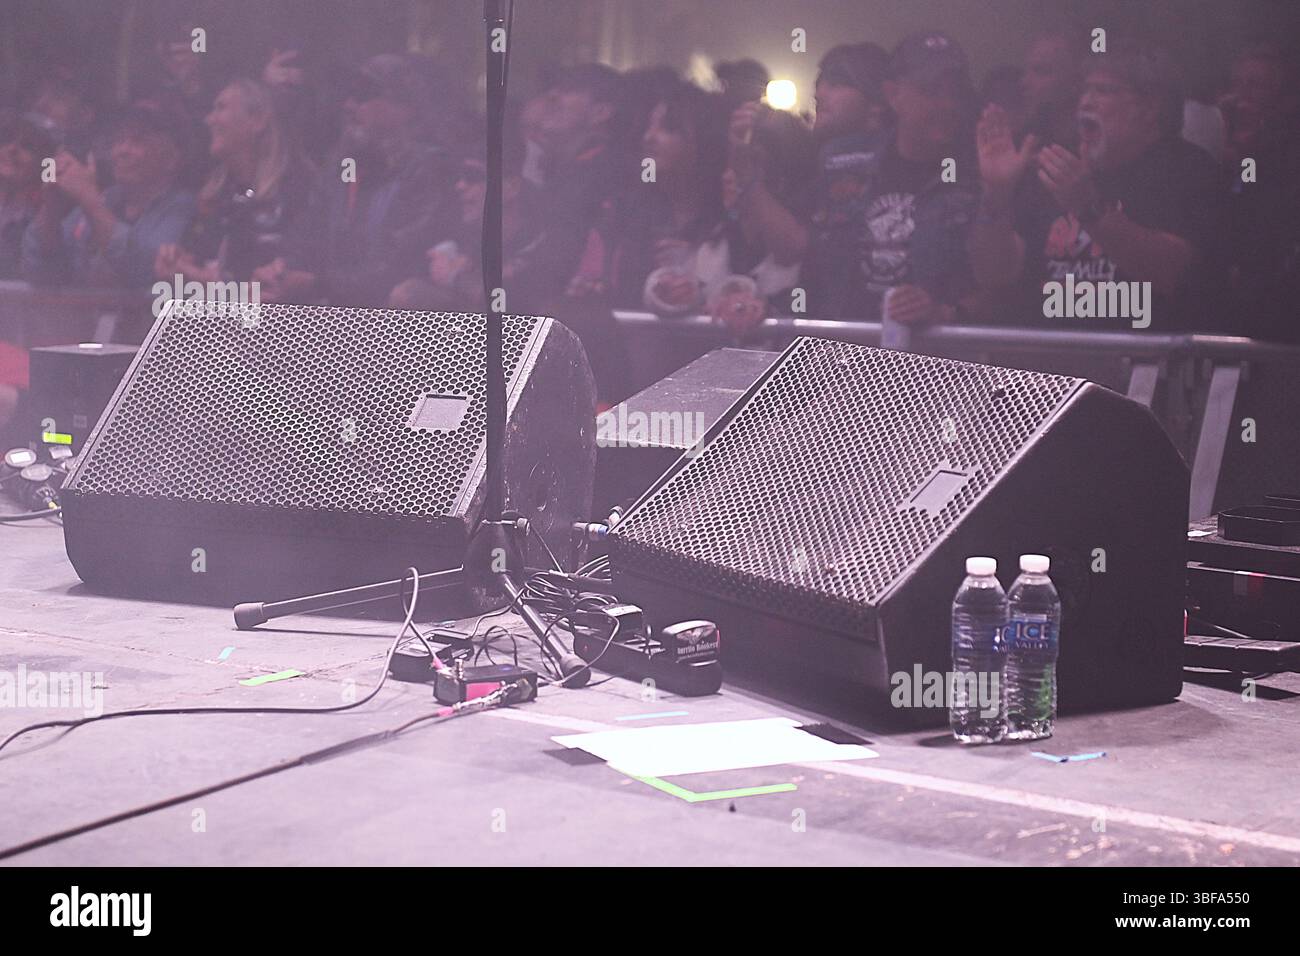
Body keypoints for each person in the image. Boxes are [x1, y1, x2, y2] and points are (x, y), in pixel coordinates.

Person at [969, 39, 1221, 332]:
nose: (1085, 102)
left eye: (1103, 91)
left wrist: (1088, 208)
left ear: (1150, 107)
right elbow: (995, 275)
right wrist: (996, 194)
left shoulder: (1188, 169)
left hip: (1138, 356)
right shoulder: (1058, 167)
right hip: (1051, 355)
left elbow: (1174, 273)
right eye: (1085, 90)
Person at [800, 32, 980, 325]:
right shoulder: (840, 161)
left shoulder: (979, 172)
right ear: (893, 94)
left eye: (955, 92)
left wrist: (946, 314)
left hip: (933, 352)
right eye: (932, 91)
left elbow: (1004, 290)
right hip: (839, 347)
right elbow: (802, 255)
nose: (947, 104)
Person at [256, 54, 457, 307]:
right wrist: (281, 268)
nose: (349, 105)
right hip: (332, 310)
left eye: (363, 95)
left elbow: (398, 266)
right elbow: (308, 233)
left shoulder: (429, 170)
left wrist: (318, 285)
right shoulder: (346, 166)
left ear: (404, 108)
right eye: (349, 95)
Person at [155, 79, 311, 287]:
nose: (209, 120)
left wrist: (211, 280)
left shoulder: (297, 188)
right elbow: (196, 258)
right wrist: (175, 263)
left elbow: (294, 276)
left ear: (257, 120)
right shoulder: (215, 194)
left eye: (221, 108)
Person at [23, 103, 195, 289]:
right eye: (118, 140)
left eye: (137, 141)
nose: (122, 151)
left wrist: (90, 200)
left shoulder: (183, 207)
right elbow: (40, 272)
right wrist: (50, 208)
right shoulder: (107, 198)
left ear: (171, 158)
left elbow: (146, 269)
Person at [0, 111, 52, 279]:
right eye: (6, 140)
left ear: (46, 163)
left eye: (27, 146)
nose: (12, 149)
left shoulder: (48, 216)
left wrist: (50, 201)